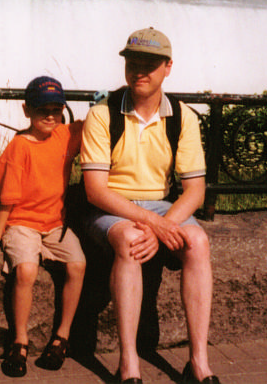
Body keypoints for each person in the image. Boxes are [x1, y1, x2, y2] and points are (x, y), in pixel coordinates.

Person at [80, 27, 220, 384]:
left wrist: (165, 225)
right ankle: (129, 366)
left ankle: (199, 365)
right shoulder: (103, 114)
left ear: (168, 67)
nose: (140, 69)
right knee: (130, 241)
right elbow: (95, 191)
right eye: (133, 62)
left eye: (150, 63)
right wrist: (151, 225)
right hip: (111, 206)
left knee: (199, 243)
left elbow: (194, 191)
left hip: (160, 206)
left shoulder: (183, 117)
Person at [0, 76, 86, 378]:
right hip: (22, 224)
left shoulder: (65, 136)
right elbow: (8, 198)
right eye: (41, 109)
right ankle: (19, 340)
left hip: (55, 224)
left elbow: (94, 123)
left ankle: (62, 337)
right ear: (26, 110)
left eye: (56, 110)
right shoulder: (19, 147)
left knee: (78, 265)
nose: (49, 116)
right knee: (27, 271)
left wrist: (105, 102)